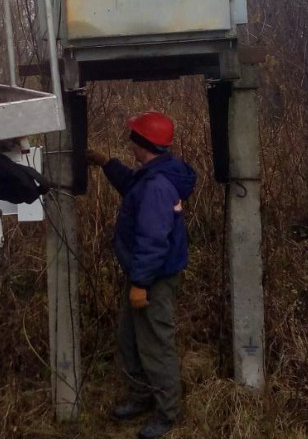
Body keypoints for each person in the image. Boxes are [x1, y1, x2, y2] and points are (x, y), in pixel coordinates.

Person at [87, 111, 196, 439]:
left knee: (155, 345)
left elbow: (152, 240)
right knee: (131, 340)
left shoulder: (157, 186)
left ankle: (167, 414)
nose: (129, 139)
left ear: (142, 143)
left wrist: (139, 285)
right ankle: (140, 397)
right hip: (144, 274)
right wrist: (107, 163)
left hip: (152, 279)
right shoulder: (152, 174)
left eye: (133, 135)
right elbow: (132, 186)